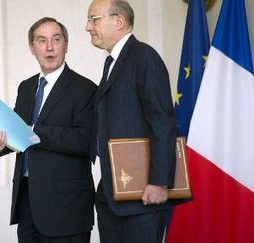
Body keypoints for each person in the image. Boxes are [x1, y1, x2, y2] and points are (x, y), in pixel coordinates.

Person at [0, 17, 96, 243]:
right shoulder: (26, 87)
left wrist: (36, 130)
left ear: (65, 45)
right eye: (41, 40)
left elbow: (85, 141)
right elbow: (19, 134)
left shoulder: (85, 89)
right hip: (27, 204)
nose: (49, 47)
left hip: (67, 209)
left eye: (56, 40)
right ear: (32, 48)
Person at [85, 0, 178, 242]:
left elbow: (162, 122)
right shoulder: (112, 63)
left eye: (94, 19)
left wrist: (159, 182)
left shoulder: (144, 57)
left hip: (142, 197)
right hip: (112, 197)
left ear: (119, 21)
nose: (88, 27)